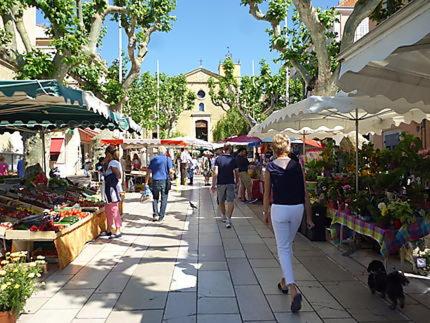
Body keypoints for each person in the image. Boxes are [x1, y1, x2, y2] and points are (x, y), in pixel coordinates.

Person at [263, 134, 314, 313]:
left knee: (283, 248)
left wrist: (265, 212)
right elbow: (305, 192)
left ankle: (293, 289)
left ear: (273, 149)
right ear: (288, 147)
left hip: (279, 209)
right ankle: (283, 282)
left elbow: (266, 193)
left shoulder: (269, 167)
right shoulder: (297, 166)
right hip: (297, 209)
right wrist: (309, 217)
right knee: (288, 245)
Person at [211, 145, 239, 229]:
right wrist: (237, 181)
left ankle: (223, 215)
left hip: (221, 183)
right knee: (230, 200)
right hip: (230, 182)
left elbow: (215, 172)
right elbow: (236, 172)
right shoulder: (233, 159)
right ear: (230, 150)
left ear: (223, 150)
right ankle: (229, 218)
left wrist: (213, 184)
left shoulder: (218, 159)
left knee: (221, 200)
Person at [145, 146, 174, 222]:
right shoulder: (168, 159)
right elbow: (171, 171)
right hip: (164, 181)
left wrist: (146, 182)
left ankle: (155, 214)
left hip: (155, 180)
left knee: (155, 198)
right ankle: (161, 216)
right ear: (164, 152)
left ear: (158, 151)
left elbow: (148, 172)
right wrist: (173, 173)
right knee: (164, 199)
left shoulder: (153, 159)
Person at [103, 145, 123, 239]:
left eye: (106, 154)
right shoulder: (112, 162)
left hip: (112, 189)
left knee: (114, 209)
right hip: (109, 189)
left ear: (108, 154)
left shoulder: (113, 163)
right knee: (108, 210)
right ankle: (109, 229)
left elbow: (118, 175)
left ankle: (118, 229)